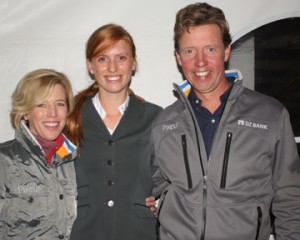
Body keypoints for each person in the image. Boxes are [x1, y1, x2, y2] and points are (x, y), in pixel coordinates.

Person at [147, 2, 300, 240]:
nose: (200, 62)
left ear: (226, 51)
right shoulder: (164, 123)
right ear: (178, 57)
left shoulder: (270, 115)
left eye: (210, 49)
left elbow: (291, 197)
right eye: (189, 51)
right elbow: (146, 185)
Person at [65, 24, 162, 240]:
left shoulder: (156, 117)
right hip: (84, 233)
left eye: (121, 58)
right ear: (91, 66)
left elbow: (177, 174)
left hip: (139, 232)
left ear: (133, 62)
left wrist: (163, 201)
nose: (112, 68)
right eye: (102, 59)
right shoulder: (67, 117)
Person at [0, 69, 77, 239]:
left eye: (60, 104)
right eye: (42, 104)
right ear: (25, 112)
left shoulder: (77, 161)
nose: (53, 113)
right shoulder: (3, 161)